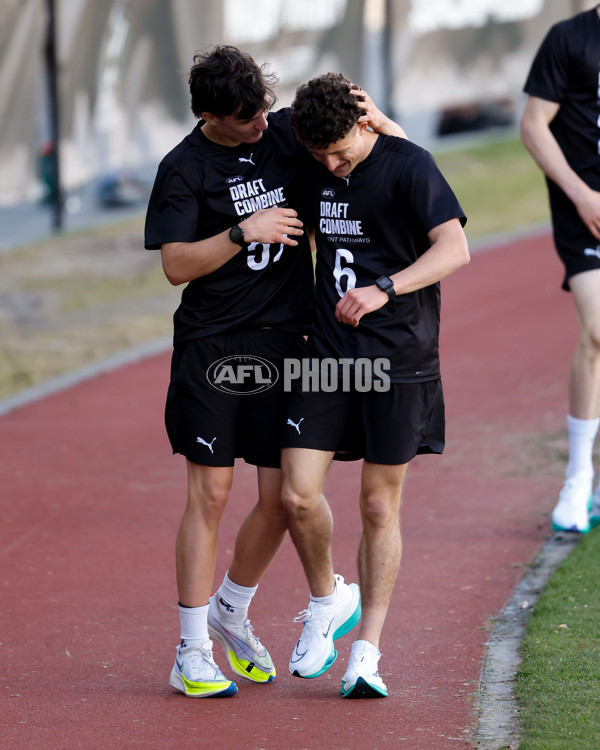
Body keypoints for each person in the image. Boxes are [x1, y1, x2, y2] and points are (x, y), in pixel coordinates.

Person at [144, 46, 405, 699]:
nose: (261, 123)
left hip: (291, 343)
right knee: (209, 494)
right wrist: (244, 231)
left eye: (263, 106)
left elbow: (389, 153)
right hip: (214, 344)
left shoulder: (285, 128)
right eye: (244, 118)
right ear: (210, 115)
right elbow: (175, 264)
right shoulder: (182, 169)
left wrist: (380, 117)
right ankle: (191, 649)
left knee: (282, 499)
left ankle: (232, 607)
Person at [280, 73, 469, 698]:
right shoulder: (314, 158)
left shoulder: (411, 164)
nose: (330, 166)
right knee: (298, 496)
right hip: (326, 352)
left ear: (365, 124)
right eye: (319, 157)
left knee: (378, 505)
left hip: (398, 358)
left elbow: (455, 250)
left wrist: (384, 287)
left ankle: (367, 654)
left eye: (339, 152)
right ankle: (329, 599)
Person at [520, 5, 600, 534]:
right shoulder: (569, 38)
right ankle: (578, 476)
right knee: (597, 335)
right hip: (587, 213)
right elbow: (533, 125)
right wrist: (582, 195)